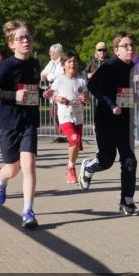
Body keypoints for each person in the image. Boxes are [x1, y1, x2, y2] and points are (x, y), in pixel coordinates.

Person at [0, 20, 42, 229]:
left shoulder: (34, 63)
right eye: (21, 38)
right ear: (11, 44)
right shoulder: (6, 65)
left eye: (28, 37)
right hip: (9, 123)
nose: (26, 41)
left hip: (28, 122)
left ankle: (28, 211)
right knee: (13, 169)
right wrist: (13, 95)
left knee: (29, 165)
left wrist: (45, 94)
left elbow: (32, 91)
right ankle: (0, 178)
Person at [79, 31, 139, 216]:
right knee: (107, 160)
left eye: (132, 46)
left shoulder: (133, 67)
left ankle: (127, 201)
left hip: (125, 121)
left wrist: (138, 99)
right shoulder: (109, 65)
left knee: (130, 160)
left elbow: (126, 91)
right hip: (106, 120)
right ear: (116, 50)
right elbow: (93, 86)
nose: (130, 49)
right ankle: (89, 166)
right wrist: (111, 104)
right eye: (125, 46)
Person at [50, 52, 89, 184]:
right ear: (63, 65)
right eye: (69, 62)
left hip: (78, 117)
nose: (72, 64)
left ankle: (70, 166)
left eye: (75, 62)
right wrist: (57, 98)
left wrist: (85, 99)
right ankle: (71, 168)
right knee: (74, 139)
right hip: (65, 117)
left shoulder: (81, 80)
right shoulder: (59, 80)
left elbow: (86, 97)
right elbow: (50, 95)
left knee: (76, 144)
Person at [41, 43, 66, 142]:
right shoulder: (51, 62)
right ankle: (59, 133)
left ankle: (63, 133)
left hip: (60, 91)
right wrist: (45, 75)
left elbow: (55, 76)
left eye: (51, 52)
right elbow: (43, 73)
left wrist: (47, 76)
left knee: (60, 112)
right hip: (53, 91)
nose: (49, 54)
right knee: (53, 112)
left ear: (57, 53)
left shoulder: (62, 62)